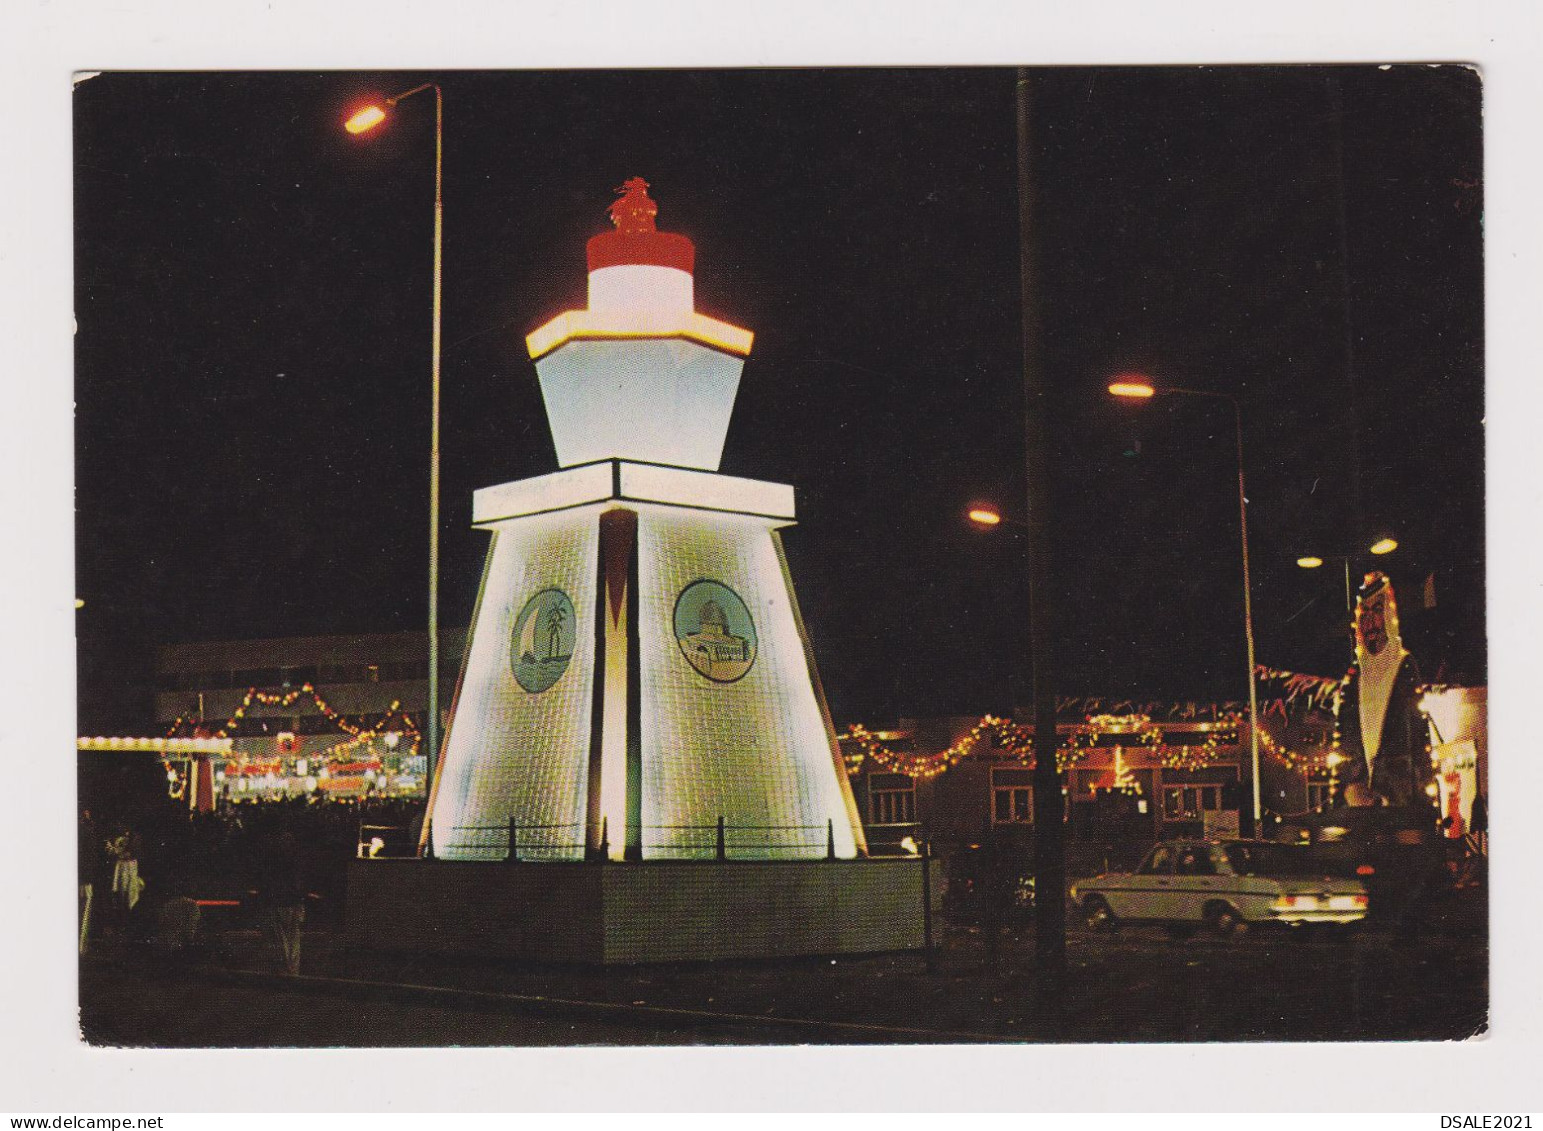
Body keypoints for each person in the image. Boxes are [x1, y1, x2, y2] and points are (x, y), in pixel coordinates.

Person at [258, 828, 307, 975]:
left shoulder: (275, 863)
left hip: (280, 903)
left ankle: (284, 971)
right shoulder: (294, 863)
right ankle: (291, 970)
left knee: (281, 941)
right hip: (291, 903)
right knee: (292, 941)